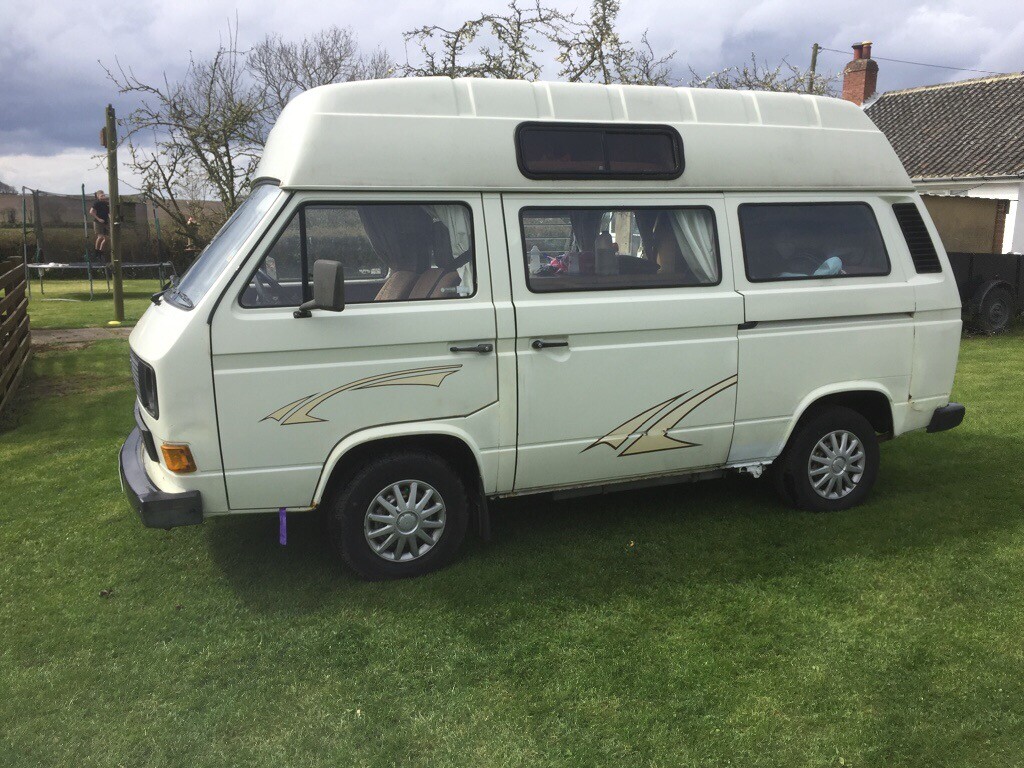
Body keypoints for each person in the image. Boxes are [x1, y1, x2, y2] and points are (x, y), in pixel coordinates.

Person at [89, 191, 110, 259]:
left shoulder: (107, 203)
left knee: (106, 238)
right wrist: (98, 219)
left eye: (104, 195)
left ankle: (101, 252)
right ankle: (96, 251)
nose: (103, 197)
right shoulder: (97, 203)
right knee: (100, 237)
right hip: (98, 222)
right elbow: (91, 212)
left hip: (105, 222)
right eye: (101, 196)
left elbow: (109, 213)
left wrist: (110, 218)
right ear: (98, 196)